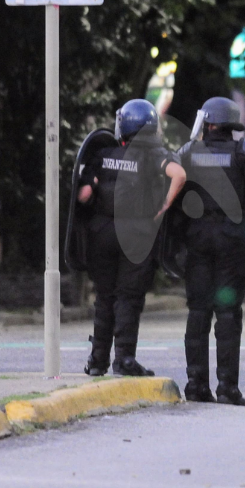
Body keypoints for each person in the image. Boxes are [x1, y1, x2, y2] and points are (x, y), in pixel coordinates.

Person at [78, 99, 186, 378]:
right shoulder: (153, 155)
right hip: (136, 234)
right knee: (128, 297)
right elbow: (179, 174)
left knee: (104, 296)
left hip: (102, 232)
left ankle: (97, 359)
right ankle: (125, 359)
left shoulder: (102, 153)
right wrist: (164, 206)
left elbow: (85, 195)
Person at [175, 97, 245, 405]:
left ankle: (195, 384)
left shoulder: (188, 152)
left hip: (198, 241)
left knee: (198, 311)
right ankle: (227, 387)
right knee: (228, 313)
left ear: (210, 122)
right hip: (232, 243)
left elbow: (171, 194)